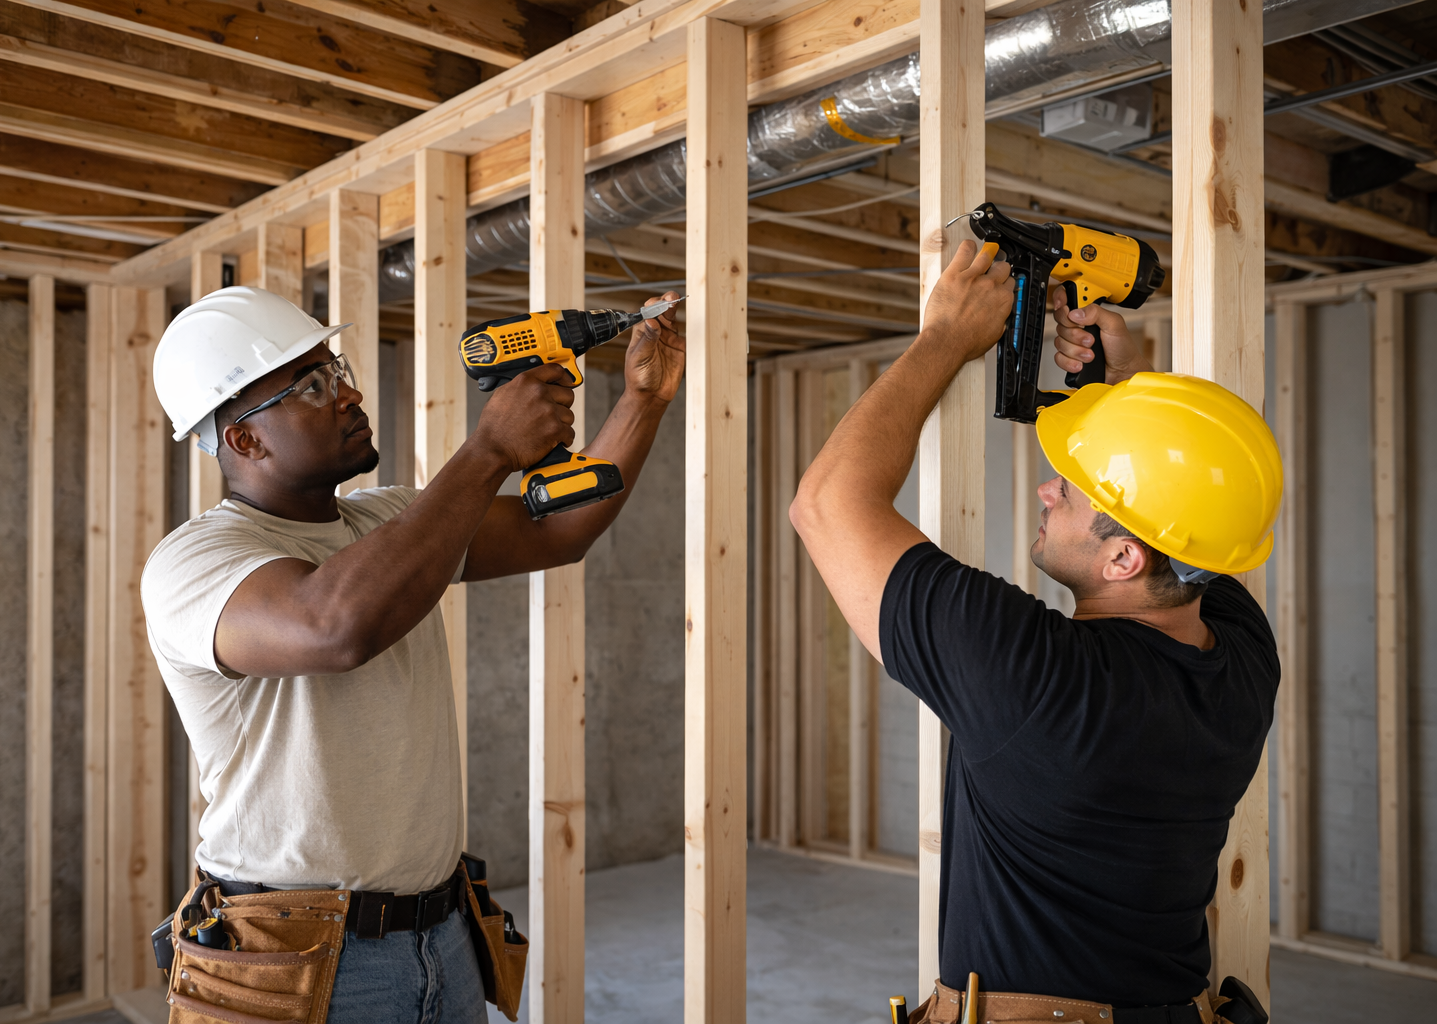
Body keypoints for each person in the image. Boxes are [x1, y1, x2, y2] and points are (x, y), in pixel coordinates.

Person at [142, 285, 684, 1023]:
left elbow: (561, 532)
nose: (348, 392)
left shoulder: (391, 519)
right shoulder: (196, 562)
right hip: (292, 958)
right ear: (245, 439)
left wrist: (644, 398)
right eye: (311, 386)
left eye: (336, 369)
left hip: (443, 934)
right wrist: (489, 449)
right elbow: (333, 626)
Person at [789, 242, 1282, 1024]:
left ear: (1124, 555)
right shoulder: (1242, 664)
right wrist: (1122, 392)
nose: (1049, 487)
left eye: (1077, 489)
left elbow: (825, 503)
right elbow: (1195, 528)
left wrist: (944, 339)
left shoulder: (1041, 678)